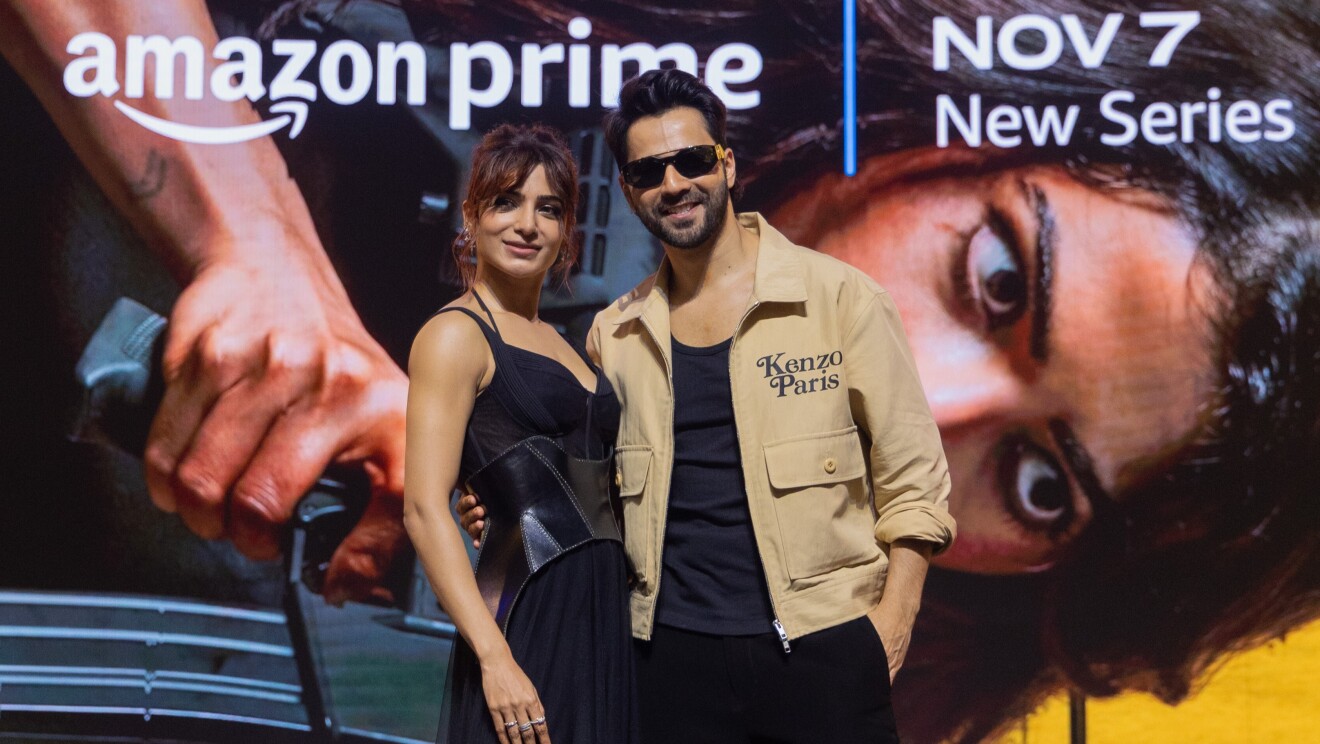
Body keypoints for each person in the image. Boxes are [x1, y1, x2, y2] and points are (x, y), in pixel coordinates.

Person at [463, 68, 956, 743]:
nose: (673, 184)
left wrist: (890, 628)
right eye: (648, 172)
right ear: (629, 192)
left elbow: (916, 482)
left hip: (824, 649)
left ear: (727, 164)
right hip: (666, 664)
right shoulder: (615, 334)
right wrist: (507, 502)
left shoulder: (842, 300)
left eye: (692, 160)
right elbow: (593, 495)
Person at [404, 123, 636, 744]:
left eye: (548, 209)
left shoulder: (567, 341)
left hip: (601, 616)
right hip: (525, 615)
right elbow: (423, 509)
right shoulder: (454, 335)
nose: (528, 225)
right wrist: (494, 658)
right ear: (471, 217)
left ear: (566, 231)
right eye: (507, 202)